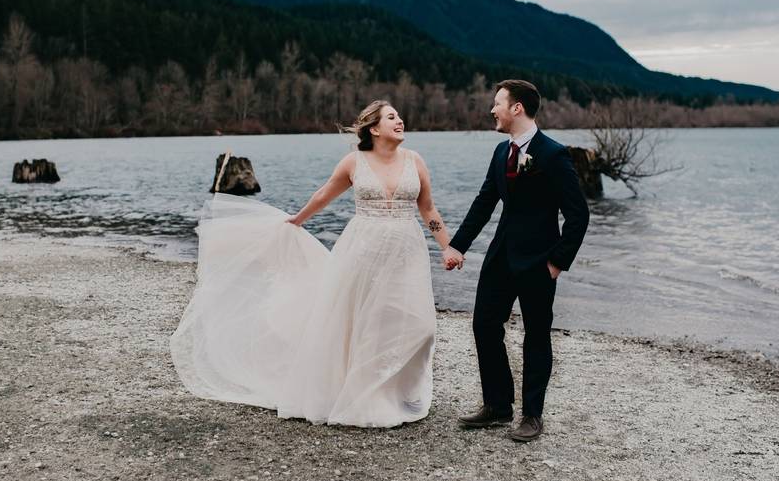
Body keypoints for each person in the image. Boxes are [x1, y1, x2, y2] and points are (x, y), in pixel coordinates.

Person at [170, 100, 454, 427]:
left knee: (421, 326)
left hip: (407, 250)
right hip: (363, 248)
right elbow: (323, 195)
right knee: (364, 322)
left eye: (399, 116)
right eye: (392, 117)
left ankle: (397, 390)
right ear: (374, 129)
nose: (400, 121)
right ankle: (367, 396)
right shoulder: (354, 162)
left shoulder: (415, 161)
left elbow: (428, 209)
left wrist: (448, 247)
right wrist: (296, 221)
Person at [442, 79, 589, 442]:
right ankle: (498, 405)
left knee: (536, 335)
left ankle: (532, 415)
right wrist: (457, 246)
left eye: (497, 104)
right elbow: (484, 202)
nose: (492, 110)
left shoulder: (553, 154)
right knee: (483, 324)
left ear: (517, 108)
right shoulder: (499, 152)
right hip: (500, 256)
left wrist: (557, 263)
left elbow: (578, 214)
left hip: (539, 261)